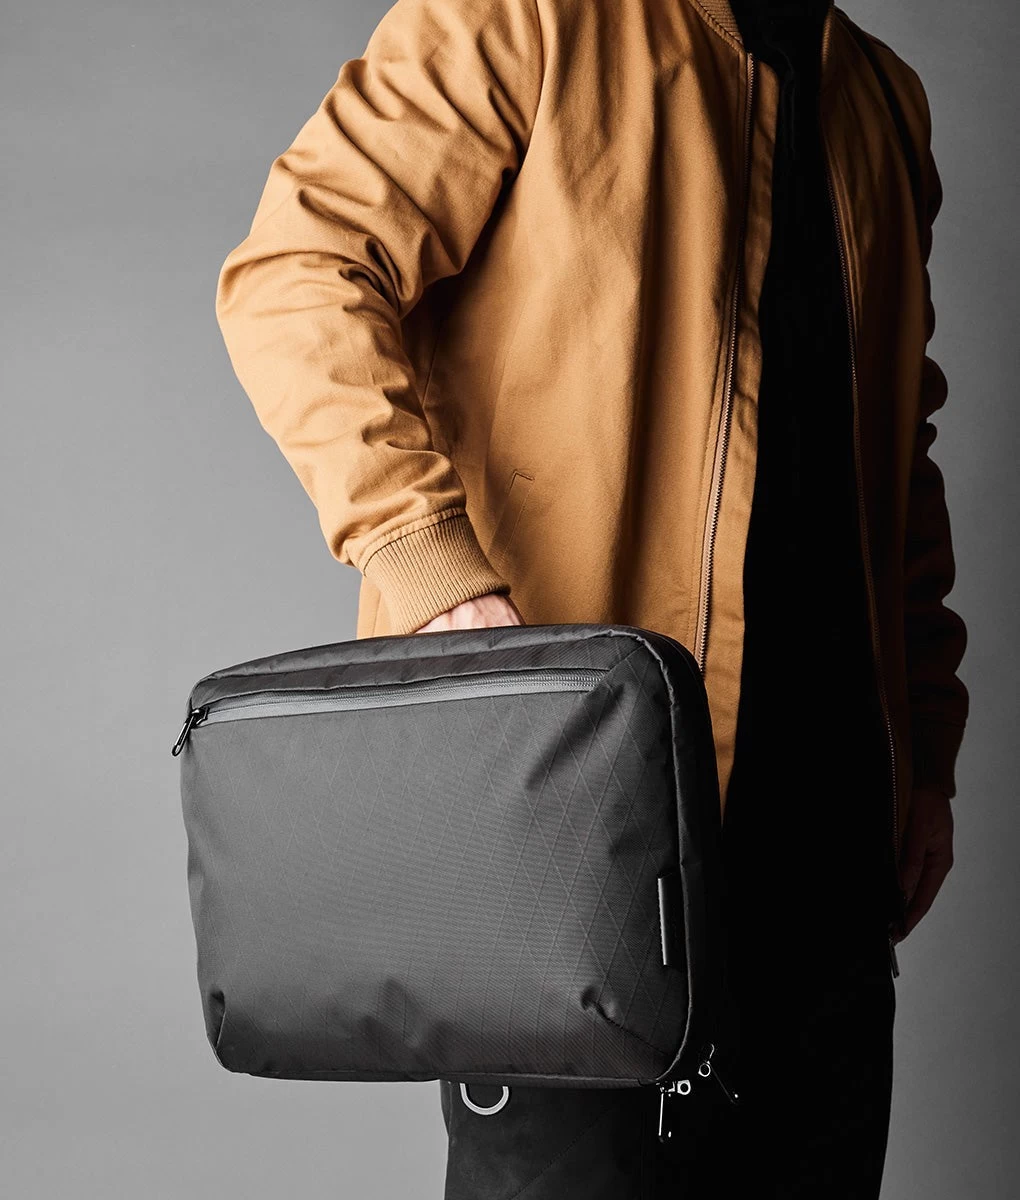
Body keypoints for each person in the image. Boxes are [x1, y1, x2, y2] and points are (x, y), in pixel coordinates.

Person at [213, 0, 969, 1194]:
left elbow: (897, 454)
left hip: (828, 849)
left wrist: (926, 751)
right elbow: (296, 271)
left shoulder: (883, 98)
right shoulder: (526, 16)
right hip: (572, 830)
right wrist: (429, 567)